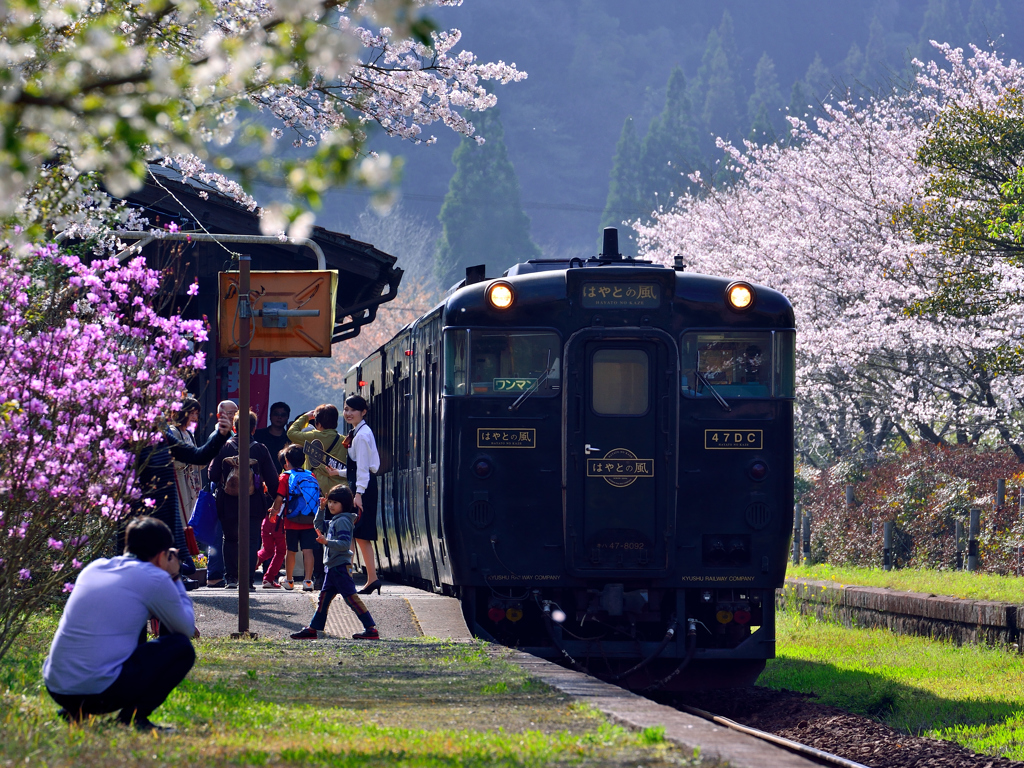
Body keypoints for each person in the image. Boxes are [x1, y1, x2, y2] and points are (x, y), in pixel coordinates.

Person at [43, 517, 197, 733]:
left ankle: (74, 711)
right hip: (99, 693)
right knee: (181, 648)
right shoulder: (154, 577)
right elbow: (185, 629)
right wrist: (174, 576)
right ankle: (133, 718)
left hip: (57, 688)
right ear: (163, 555)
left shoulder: (94, 567)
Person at [129, 408, 232, 577]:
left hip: (167, 516)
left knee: (175, 570)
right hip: (138, 520)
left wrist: (220, 435)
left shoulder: (161, 436)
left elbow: (198, 456)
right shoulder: (126, 441)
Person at [290, 485, 379, 641]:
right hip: (332, 568)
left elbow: (345, 544)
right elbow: (317, 525)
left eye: (335, 502)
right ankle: (313, 629)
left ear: (344, 504)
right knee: (323, 599)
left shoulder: (343, 521)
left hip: (340, 568)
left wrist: (327, 542)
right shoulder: (335, 520)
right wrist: (321, 509)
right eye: (330, 501)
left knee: (351, 599)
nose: (331, 505)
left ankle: (371, 628)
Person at [208, 409, 277, 589]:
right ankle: (247, 580)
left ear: (234, 427)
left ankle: (231, 578)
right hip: (253, 501)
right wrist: (276, 498)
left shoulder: (223, 447)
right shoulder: (260, 449)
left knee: (229, 538)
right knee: (252, 539)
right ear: (254, 429)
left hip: (227, 501)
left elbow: (213, 475)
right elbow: (272, 479)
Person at [287, 403, 347, 589]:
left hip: (316, 495)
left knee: (318, 534)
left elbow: (291, 433)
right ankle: (335, 574)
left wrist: (306, 417)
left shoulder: (311, 437)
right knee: (335, 535)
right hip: (337, 494)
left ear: (317, 421)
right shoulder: (343, 440)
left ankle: (319, 577)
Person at [343, 395, 382, 596]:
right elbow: (359, 469)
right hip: (362, 487)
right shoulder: (360, 432)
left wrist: (358, 494)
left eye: (353, 410)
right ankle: (371, 579)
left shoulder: (362, 435)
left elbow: (364, 469)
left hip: (362, 490)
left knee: (356, 534)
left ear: (363, 412)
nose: (348, 413)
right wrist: (338, 473)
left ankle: (349, 580)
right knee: (359, 535)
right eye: (346, 409)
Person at [270, 444, 320, 591]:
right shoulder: (311, 475)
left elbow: (280, 498)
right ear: (304, 460)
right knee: (308, 551)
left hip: (291, 520)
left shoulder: (286, 476)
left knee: (291, 551)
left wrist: (273, 512)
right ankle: (308, 581)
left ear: (287, 460)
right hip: (310, 519)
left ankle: (289, 580)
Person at [203, 400, 238, 588]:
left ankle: (220, 573)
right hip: (220, 489)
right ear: (220, 415)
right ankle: (215, 574)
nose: (233, 416)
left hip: (227, 489)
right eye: (230, 413)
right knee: (218, 533)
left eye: (236, 413)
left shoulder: (231, 433)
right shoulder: (218, 434)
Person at [167, 398, 202, 560]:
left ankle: (185, 563)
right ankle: (179, 565)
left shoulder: (189, 433)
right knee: (180, 524)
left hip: (191, 484)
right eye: (192, 413)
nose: (195, 417)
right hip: (180, 482)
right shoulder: (173, 432)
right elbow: (174, 459)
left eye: (197, 413)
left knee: (188, 522)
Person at [256, 449, 289, 589]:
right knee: (280, 551)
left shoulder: (275, 479)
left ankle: (246, 571)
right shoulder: (287, 479)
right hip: (278, 522)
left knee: (267, 550)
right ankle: (268, 578)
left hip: (267, 521)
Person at [255, 401, 291, 474]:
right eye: (276, 414)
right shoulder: (257, 435)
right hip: (259, 478)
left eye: (283, 415)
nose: (279, 417)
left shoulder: (290, 439)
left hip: (284, 479)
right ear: (270, 416)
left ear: (287, 418)